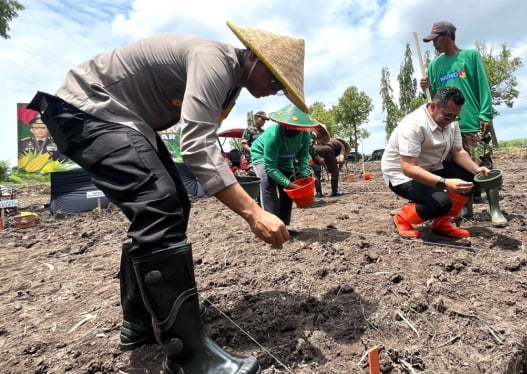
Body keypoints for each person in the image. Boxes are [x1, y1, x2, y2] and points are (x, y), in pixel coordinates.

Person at [27, 21, 306, 374]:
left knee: (173, 199)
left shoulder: (231, 85)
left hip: (124, 121)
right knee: (159, 201)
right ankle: (190, 360)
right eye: (275, 78)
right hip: (88, 108)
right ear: (253, 56)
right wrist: (254, 213)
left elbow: (201, 137)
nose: (275, 89)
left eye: (282, 86)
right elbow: (197, 147)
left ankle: (140, 321)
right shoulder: (215, 60)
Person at [381, 87, 491, 239]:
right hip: (401, 174)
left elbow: (457, 151)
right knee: (441, 203)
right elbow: (408, 167)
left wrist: (476, 169)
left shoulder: (451, 121)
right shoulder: (414, 125)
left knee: (468, 178)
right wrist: (444, 183)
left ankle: (441, 222)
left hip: (431, 166)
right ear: (433, 107)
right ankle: (403, 217)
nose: (451, 121)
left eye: (455, 117)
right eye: (447, 117)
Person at [420, 20, 496, 221]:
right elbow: (436, 98)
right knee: (455, 168)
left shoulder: (470, 57)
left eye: (435, 39)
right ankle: (465, 207)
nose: (433, 44)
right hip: (447, 126)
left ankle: (494, 209)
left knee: (483, 163)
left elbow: (482, 85)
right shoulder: (435, 65)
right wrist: (425, 89)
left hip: (472, 121)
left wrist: (485, 114)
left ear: (448, 36)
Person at [251, 103, 316, 228]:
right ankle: (271, 226)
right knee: (268, 184)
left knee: (287, 193)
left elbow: (303, 156)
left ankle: (284, 226)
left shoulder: (305, 134)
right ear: (281, 124)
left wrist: (304, 175)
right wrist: (290, 185)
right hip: (261, 156)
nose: (291, 129)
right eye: (287, 126)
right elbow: (270, 167)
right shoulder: (273, 134)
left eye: (295, 127)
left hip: (284, 159)